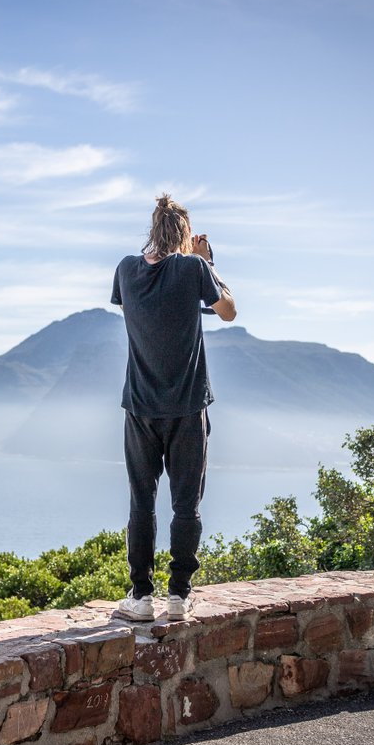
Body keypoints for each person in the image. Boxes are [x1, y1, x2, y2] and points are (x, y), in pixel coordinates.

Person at [110, 193, 236, 623]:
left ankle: (140, 597)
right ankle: (179, 596)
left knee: (141, 502)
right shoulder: (194, 267)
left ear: (152, 227)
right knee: (187, 504)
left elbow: (135, 310)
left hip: (140, 406)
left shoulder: (126, 269)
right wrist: (207, 260)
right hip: (187, 407)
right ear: (185, 233)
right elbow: (228, 312)